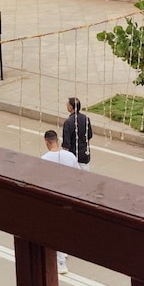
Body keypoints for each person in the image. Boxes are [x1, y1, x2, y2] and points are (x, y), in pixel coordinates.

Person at [40, 130, 79, 273]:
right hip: (69, 195)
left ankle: (61, 262)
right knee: (65, 224)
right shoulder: (70, 156)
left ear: (47, 142)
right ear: (58, 140)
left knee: (56, 227)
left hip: (54, 197)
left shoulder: (44, 159)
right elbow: (79, 174)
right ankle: (64, 250)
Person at [61, 97, 93, 170]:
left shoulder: (68, 122)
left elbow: (66, 144)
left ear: (71, 107)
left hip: (73, 156)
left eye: (67, 104)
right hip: (84, 155)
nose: (66, 106)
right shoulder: (86, 119)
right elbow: (89, 135)